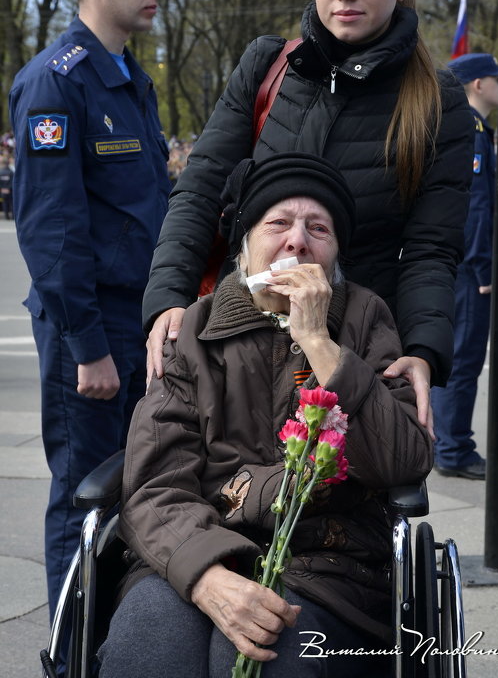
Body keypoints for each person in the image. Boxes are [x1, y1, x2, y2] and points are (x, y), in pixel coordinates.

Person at [143, 0, 474, 429]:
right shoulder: (266, 66)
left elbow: (431, 251)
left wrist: (422, 349)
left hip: (351, 359)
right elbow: (198, 192)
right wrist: (167, 301)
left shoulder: (439, 102)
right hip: (236, 351)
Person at [97, 152, 433, 678]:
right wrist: (206, 576)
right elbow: (154, 484)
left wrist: (319, 342)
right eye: (278, 224)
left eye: (318, 229)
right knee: (152, 649)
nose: (297, 240)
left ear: (335, 255)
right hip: (186, 550)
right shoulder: (194, 330)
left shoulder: (367, 318)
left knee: (273, 661)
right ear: (246, 246)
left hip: (326, 567)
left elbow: (402, 462)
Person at [8, 0, 170, 618]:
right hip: (94, 338)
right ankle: (70, 654)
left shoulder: (132, 82)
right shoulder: (55, 83)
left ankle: (114, 643)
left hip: (138, 330)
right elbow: (52, 228)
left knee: (134, 495)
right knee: (84, 500)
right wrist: (87, 346)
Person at [431, 53, 498, 479]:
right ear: (477, 84)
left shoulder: (471, 129)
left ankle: (450, 444)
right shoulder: (472, 133)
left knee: (458, 359)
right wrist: (483, 270)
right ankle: (453, 450)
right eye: (496, 78)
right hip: (468, 270)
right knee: (463, 360)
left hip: (461, 266)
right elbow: (473, 210)